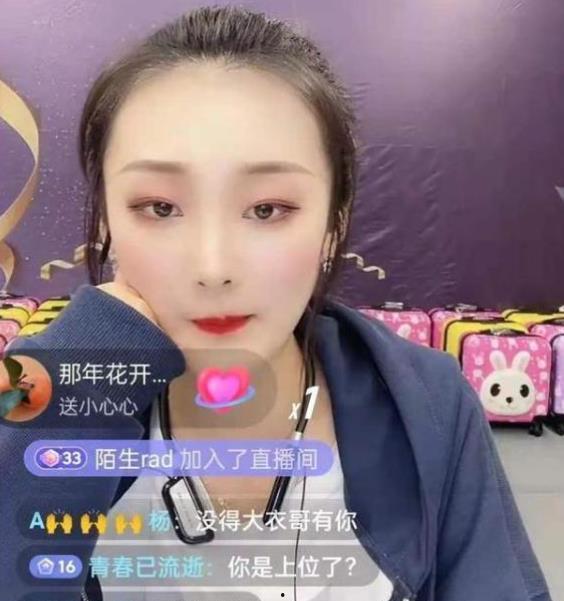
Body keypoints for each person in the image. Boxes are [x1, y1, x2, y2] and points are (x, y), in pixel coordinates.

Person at [0, 5, 552, 601]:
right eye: (160, 207)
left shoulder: (425, 404)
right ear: (108, 220)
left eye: (267, 209)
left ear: (333, 223)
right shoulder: (43, 391)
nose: (213, 268)